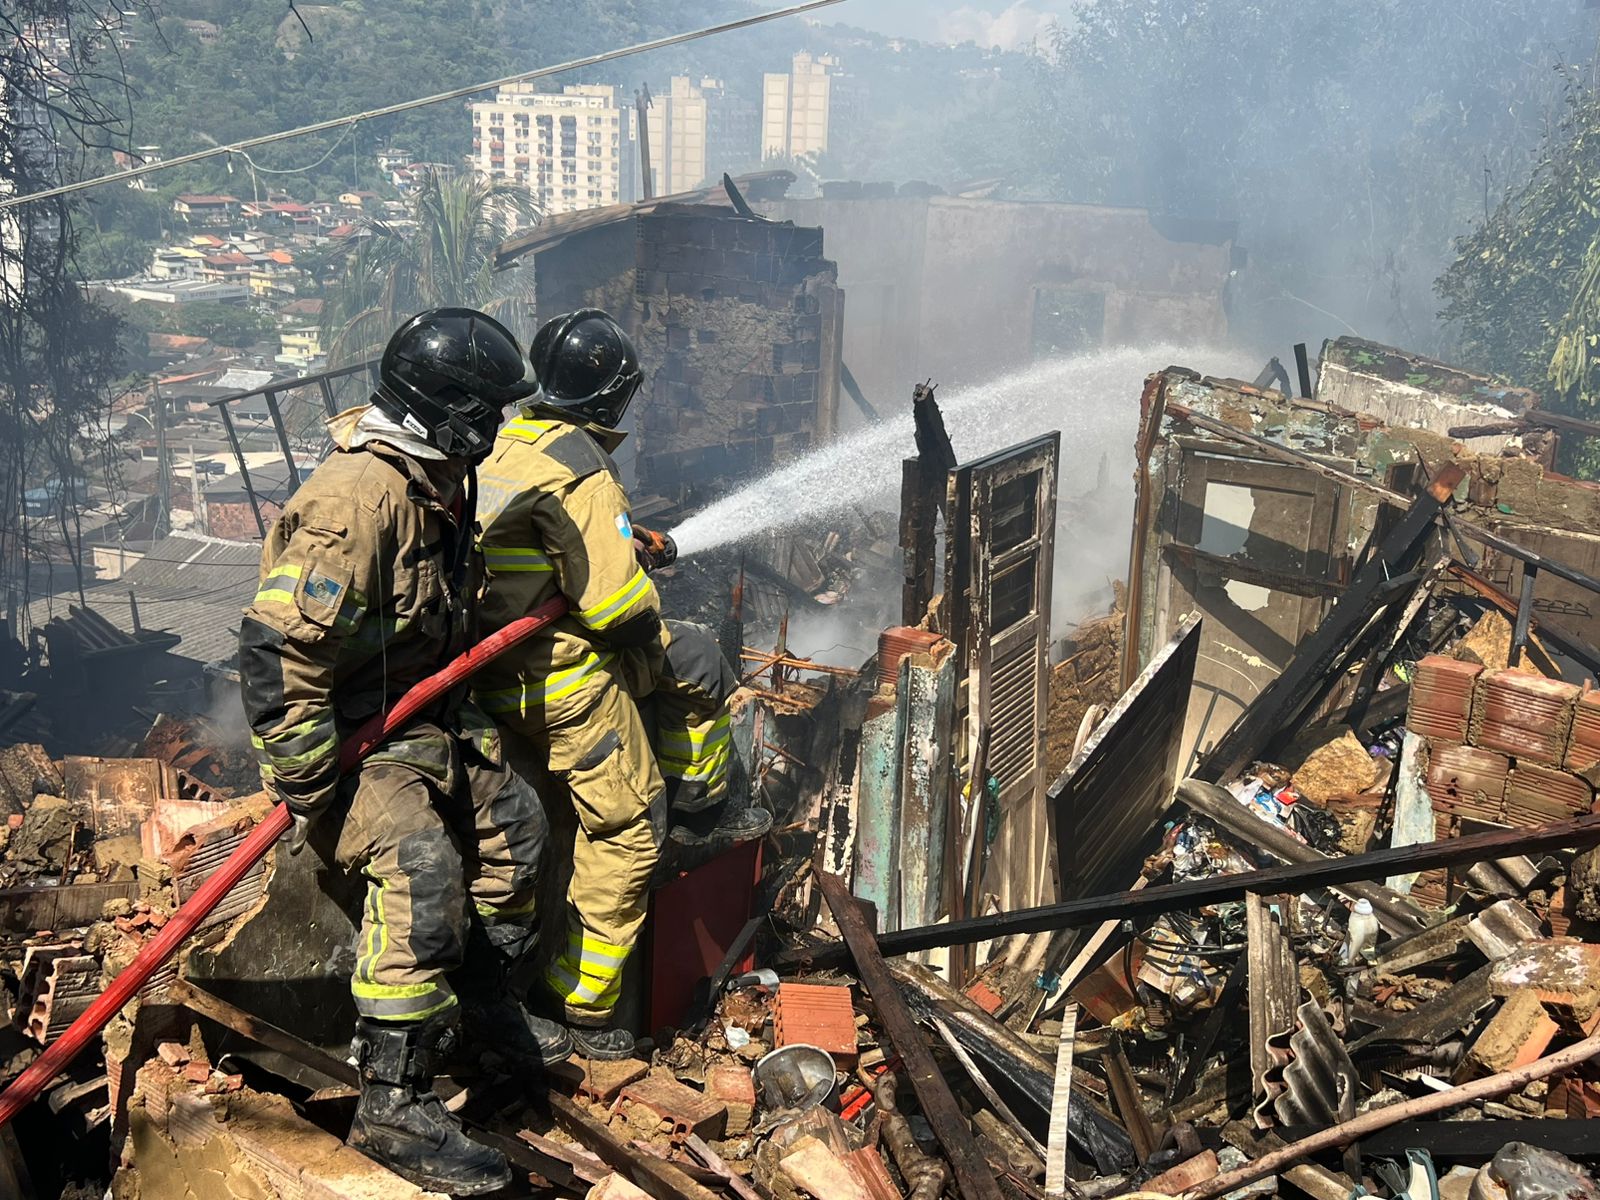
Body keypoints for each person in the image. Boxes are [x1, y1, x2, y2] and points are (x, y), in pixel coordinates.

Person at [239, 308, 571, 1196]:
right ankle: (394, 1100)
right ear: (451, 413)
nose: (499, 427)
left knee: (519, 831)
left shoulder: (437, 479)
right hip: (352, 734)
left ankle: (483, 1012)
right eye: (489, 412)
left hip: (420, 717)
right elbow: (276, 652)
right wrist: (312, 779)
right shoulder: (357, 502)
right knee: (422, 870)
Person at [473, 309, 766, 1062]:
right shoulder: (580, 468)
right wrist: (634, 588)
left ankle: (695, 799)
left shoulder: (508, 444)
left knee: (694, 656)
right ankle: (581, 1004)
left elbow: (549, 545)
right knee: (630, 830)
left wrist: (628, 545)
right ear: (612, 396)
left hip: (495, 666)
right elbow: (619, 612)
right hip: (561, 679)